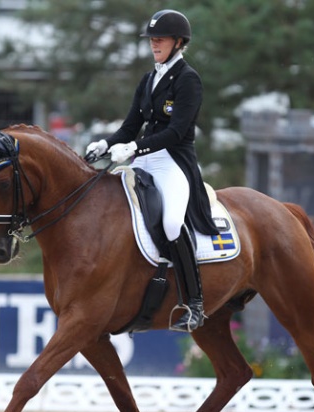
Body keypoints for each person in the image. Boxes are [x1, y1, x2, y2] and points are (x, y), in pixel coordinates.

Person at [85, 9, 218, 332]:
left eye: (160, 39)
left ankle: (195, 303)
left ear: (178, 42)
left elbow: (177, 131)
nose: (154, 44)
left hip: (173, 160)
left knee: (172, 222)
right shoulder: (149, 78)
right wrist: (106, 144)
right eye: (151, 39)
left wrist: (134, 148)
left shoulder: (188, 79)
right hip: (143, 158)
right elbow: (131, 126)